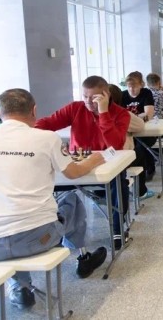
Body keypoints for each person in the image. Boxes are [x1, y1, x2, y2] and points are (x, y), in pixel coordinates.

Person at [0, 89, 108, 309]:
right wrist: (93, 160)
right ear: (34, 111)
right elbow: (73, 173)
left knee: (10, 226)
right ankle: (83, 258)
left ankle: (19, 286)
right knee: (71, 199)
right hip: (37, 239)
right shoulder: (46, 138)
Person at [36, 76, 132, 249]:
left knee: (119, 185)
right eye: (85, 96)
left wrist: (103, 113)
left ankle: (118, 230)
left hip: (106, 164)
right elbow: (49, 123)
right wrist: (24, 130)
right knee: (45, 185)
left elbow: (115, 145)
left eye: (94, 97)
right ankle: (52, 232)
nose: (88, 101)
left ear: (106, 95)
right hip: (77, 166)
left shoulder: (121, 114)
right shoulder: (75, 108)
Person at [109, 84, 154, 200]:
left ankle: (100, 195)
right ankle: (141, 191)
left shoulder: (90, 114)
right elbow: (140, 125)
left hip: (99, 156)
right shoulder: (122, 114)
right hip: (120, 157)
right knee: (140, 153)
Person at [122, 72, 157, 186]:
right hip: (130, 132)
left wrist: (131, 119)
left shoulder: (146, 93)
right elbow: (120, 117)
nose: (131, 89)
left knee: (140, 147)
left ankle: (148, 170)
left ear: (141, 85)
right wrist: (137, 118)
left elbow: (148, 115)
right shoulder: (123, 95)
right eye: (129, 87)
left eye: (135, 86)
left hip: (146, 131)